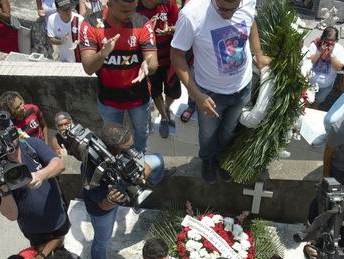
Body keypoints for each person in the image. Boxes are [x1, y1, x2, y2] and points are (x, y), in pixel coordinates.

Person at [170, 0, 270, 183]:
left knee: (228, 131)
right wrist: (197, 95)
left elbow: (251, 22)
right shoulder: (192, 14)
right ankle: (207, 161)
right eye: (222, 8)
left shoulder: (248, 3)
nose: (228, 14)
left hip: (242, 88)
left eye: (234, 8)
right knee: (207, 136)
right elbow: (176, 56)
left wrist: (258, 53)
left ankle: (221, 160)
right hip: (210, 93)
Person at [81, 123, 171, 259]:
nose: (133, 150)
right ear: (114, 150)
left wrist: (142, 176)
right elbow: (102, 205)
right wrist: (111, 200)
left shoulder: (124, 154)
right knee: (102, 241)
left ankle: (152, 183)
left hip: (122, 183)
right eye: (128, 148)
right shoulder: (93, 173)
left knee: (158, 158)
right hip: (104, 207)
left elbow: (145, 163)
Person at [79, 0, 158, 153]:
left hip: (139, 97)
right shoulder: (90, 24)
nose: (130, 15)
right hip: (109, 99)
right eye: (124, 11)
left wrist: (147, 65)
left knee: (141, 132)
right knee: (114, 141)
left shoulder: (142, 23)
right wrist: (103, 53)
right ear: (109, 4)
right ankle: (119, 165)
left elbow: (153, 62)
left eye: (133, 9)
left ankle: (140, 158)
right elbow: (88, 68)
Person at [0, 112, 69, 248]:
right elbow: (11, 215)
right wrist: (4, 189)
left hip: (58, 218)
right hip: (34, 230)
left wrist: (41, 175)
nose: (6, 138)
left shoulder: (32, 145)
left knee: (61, 242)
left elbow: (59, 164)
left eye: (8, 131)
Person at [136, 0, 180, 138]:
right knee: (155, 91)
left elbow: (180, 25)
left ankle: (167, 108)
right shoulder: (135, 7)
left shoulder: (168, 3)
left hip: (171, 57)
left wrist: (169, 29)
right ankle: (164, 117)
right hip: (149, 59)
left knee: (173, 91)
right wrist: (148, 31)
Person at [302, 26, 344, 106]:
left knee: (317, 103)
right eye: (327, 39)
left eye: (332, 40)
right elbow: (309, 62)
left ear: (336, 40)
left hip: (326, 86)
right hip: (310, 83)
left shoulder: (339, 49)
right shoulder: (315, 45)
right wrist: (319, 51)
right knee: (305, 102)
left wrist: (331, 54)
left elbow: (339, 67)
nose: (329, 42)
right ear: (323, 38)